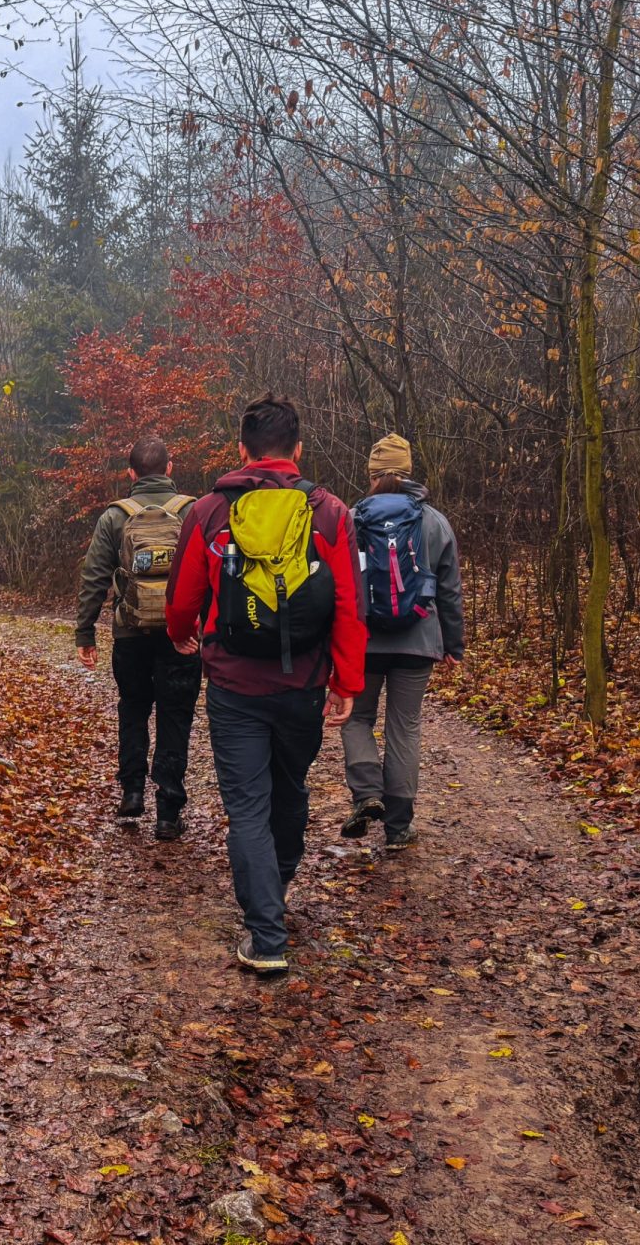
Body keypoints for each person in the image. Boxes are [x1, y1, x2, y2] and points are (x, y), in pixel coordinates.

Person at [165, 396, 366, 974]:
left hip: (233, 685)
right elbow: (350, 606)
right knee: (290, 788)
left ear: (241, 449)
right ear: (298, 450)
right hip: (302, 681)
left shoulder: (209, 511)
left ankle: (265, 933)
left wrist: (183, 635)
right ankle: (273, 890)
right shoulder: (329, 513)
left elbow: (182, 597)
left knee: (248, 806)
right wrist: (346, 681)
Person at [75, 437, 203, 841]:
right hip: (181, 635)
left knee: (132, 707)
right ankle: (168, 810)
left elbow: (94, 576)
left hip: (129, 633)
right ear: (170, 467)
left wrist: (85, 630)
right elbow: (213, 575)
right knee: (175, 715)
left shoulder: (115, 516)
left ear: (130, 473)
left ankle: (131, 791)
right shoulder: (193, 511)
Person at [341, 432, 464, 850]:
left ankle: (366, 793)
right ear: (410, 470)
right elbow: (448, 589)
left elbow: (340, 584)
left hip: (364, 641)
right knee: (405, 727)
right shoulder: (434, 521)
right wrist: (453, 644)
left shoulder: (352, 517)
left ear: (371, 473)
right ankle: (398, 826)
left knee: (357, 717)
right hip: (418, 638)